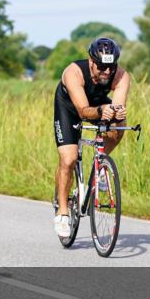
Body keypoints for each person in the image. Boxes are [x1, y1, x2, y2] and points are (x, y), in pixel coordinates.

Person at [52, 37, 131, 237]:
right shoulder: (74, 73)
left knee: (119, 125)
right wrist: (103, 110)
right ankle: (62, 212)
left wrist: (117, 113)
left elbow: (118, 106)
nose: (106, 72)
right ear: (91, 61)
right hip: (71, 108)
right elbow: (83, 110)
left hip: (97, 104)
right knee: (68, 159)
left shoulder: (120, 75)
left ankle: (101, 167)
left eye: (110, 67)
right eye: (102, 67)